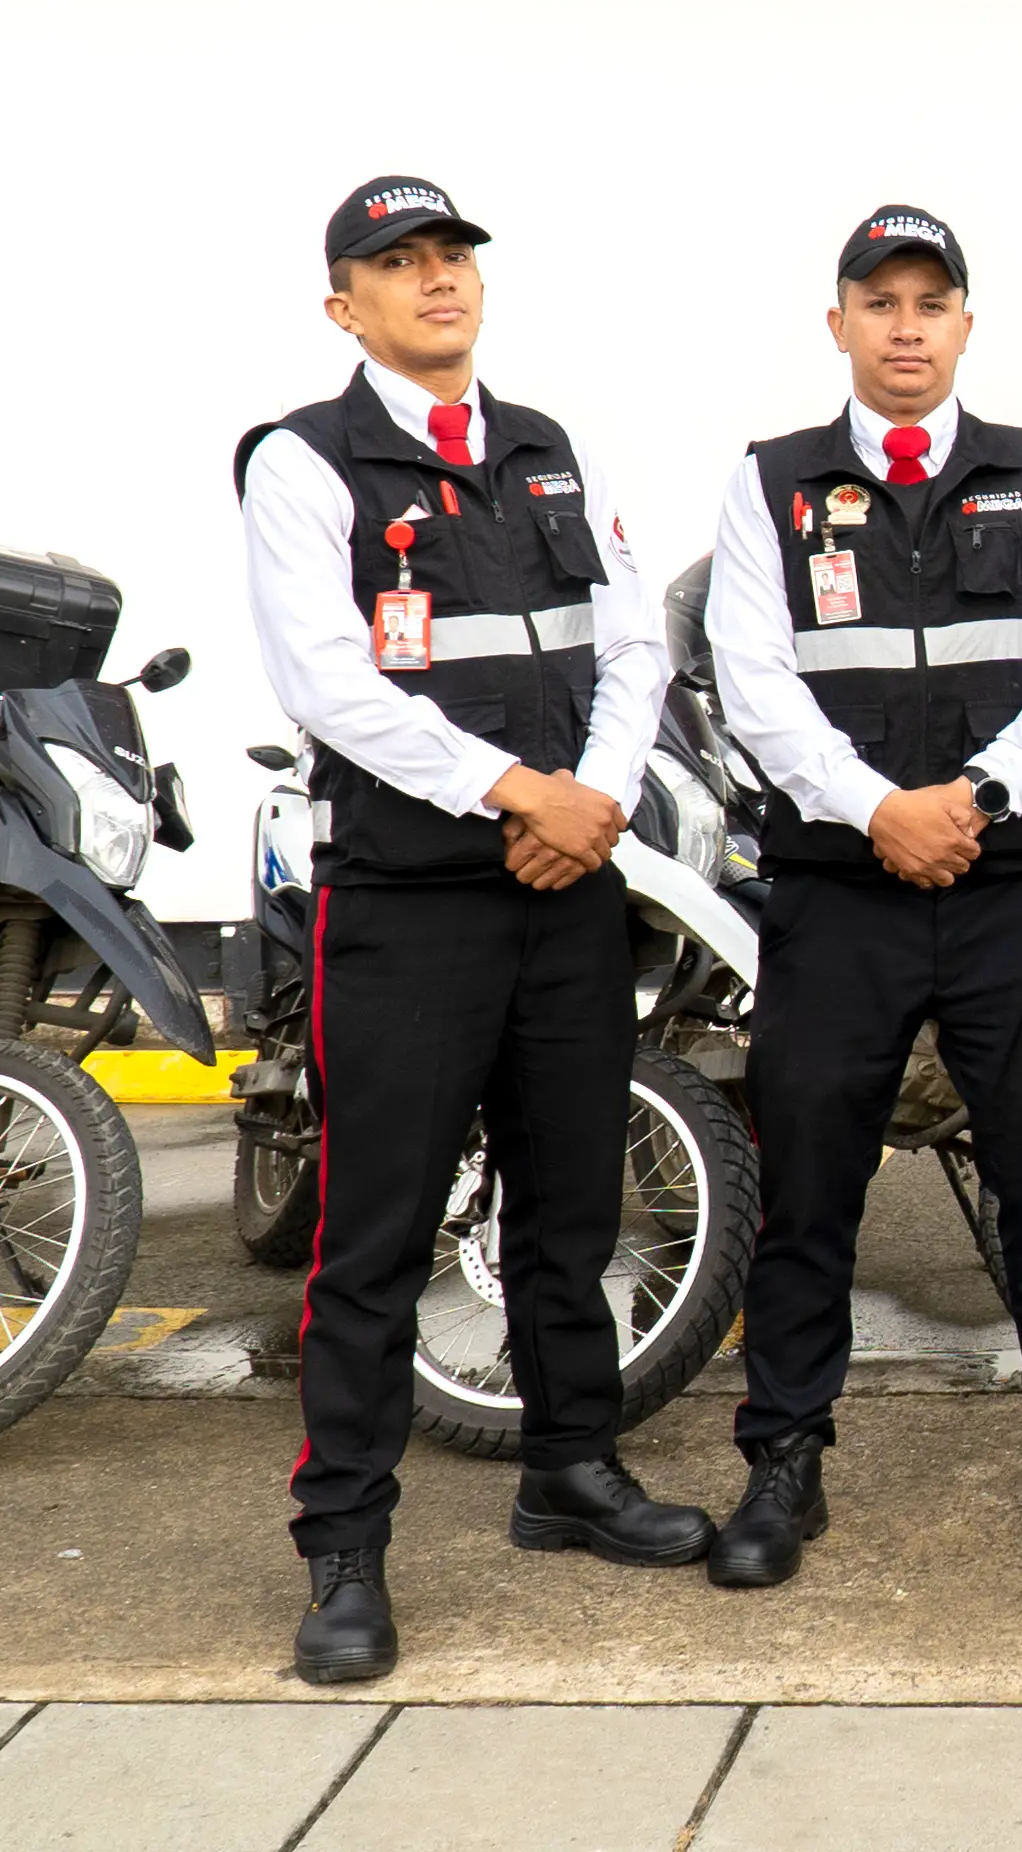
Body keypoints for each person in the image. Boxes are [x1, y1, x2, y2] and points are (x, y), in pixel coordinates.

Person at [237, 175, 713, 1690]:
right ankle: (344, 1553)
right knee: (373, 1240)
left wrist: (598, 799)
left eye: (452, 257)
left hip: (569, 892)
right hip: (412, 908)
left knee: (571, 1211)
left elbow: (631, 642)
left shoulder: (546, 453)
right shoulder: (307, 466)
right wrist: (520, 789)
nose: (437, 280)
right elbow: (329, 682)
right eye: (399, 262)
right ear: (345, 305)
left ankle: (572, 1475)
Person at [701, 202, 1022, 1580]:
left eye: (930, 303)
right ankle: (787, 1466)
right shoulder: (769, 483)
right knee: (811, 1192)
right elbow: (757, 680)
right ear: (840, 323)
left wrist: (972, 801)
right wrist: (879, 811)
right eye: (880, 302)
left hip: (1010, 884)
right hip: (839, 892)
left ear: (966, 324)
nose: (906, 328)